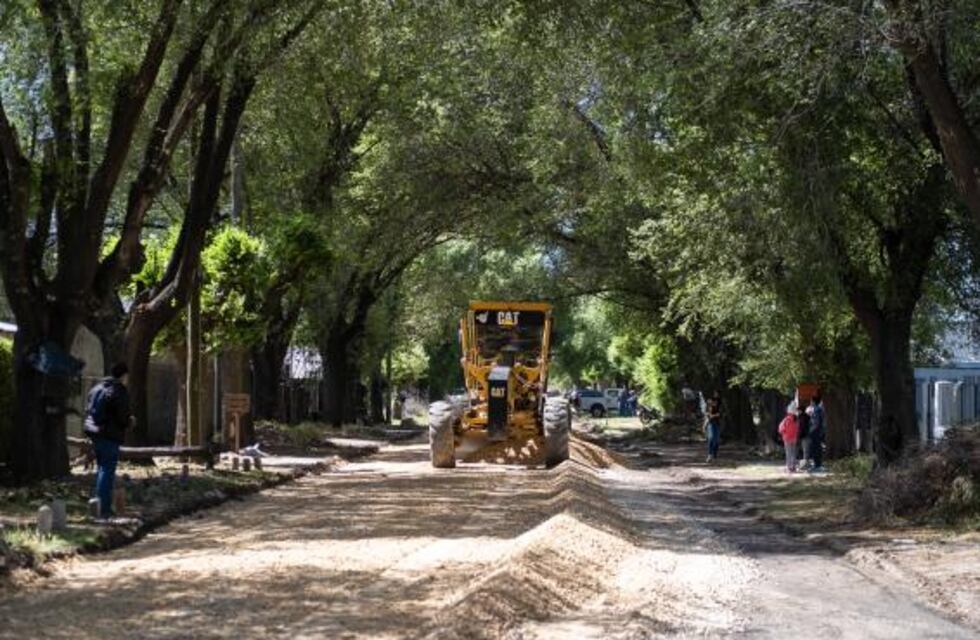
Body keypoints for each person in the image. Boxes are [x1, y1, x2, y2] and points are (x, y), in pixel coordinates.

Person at [84, 363, 132, 519]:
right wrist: (130, 421)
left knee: (101, 468)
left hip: (95, 433)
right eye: (127, 377)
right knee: (107, 470)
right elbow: (122, 416)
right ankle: (104, 509)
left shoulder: (96, 389)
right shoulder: (118, 391)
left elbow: (89, 410)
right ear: (123, 376)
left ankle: (97, 506)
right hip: (110, 435)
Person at [778, 403, 800, 473]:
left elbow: (781, 429)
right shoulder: (796, 420)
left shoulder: (786, 419)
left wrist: (783, 433)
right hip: (794, 438)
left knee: (788, 453)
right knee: (793, 453)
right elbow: (797, 429)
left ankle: (789, 467)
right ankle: (793, 467)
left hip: (787, 438)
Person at [808, 394, 826, 472]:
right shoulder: (819, 409)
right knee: (817, 448)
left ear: (814, 401)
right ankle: (817, 464)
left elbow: (816, 422)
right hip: (818, 431)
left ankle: (817, 465)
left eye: (811, 401)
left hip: (816, 432)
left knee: (815, 448)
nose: (810, 402)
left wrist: (811, 430)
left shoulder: (817, 409)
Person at [704, 392, 722, 462]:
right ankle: (709, 455)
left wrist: (715, 415)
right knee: (711, 438)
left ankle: (714, 455)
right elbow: (707, 414)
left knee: (717, 441)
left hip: (717, 423)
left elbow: (720, 414)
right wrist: (705, 424)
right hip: (710, 423)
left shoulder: (720, 403)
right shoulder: (709, 405)